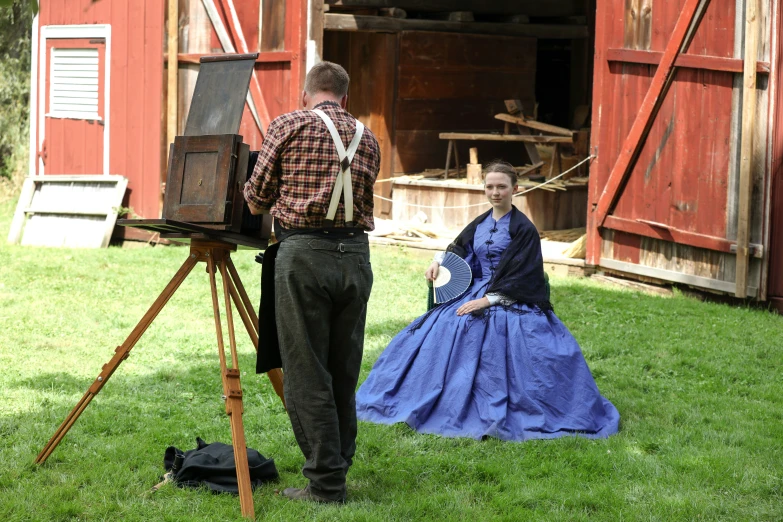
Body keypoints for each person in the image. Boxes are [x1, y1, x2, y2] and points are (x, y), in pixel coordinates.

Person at [355, 160, 619, 441]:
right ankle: (438, 394)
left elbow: (526, 274)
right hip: (476, 290)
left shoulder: (524, 229)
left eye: (502, 187)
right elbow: (459, 250)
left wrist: (490, 300)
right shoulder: (480, 223)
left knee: (495, 330)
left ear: (514, 189)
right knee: (447, 323)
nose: (495, 192)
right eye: (490, 186)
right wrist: (437, 262)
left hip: (512, 298)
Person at [244, 61, 380, 503]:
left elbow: (256, 198)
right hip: (356, 258)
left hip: (305, 256)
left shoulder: (288, 124)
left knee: (307, 372)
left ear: (308, 94)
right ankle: (338, 465)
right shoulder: (369, 138)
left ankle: (325, 483)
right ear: (344, 97)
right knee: (343, 369)